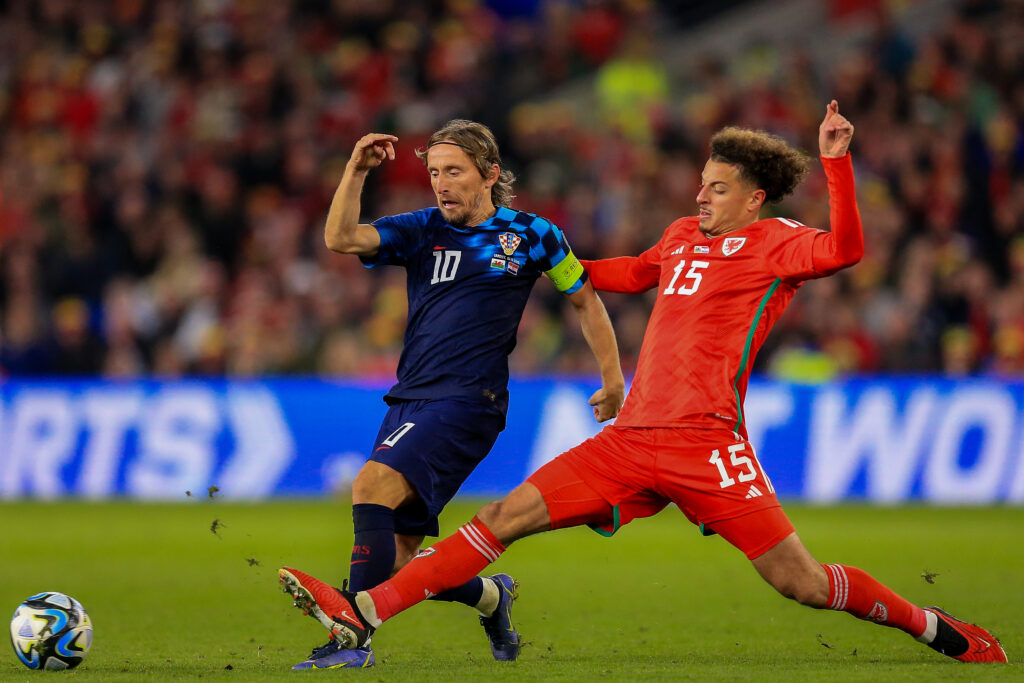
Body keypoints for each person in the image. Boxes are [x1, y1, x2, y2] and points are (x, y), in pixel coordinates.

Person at [278, 102, 1007, 665]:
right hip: (628, 442)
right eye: (701, 185)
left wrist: (835, 166)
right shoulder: (682, 238)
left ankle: (943, 631)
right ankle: (363, 612)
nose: (701, 198)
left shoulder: (780, 241)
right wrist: (529, 258)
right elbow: (620, 274)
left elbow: (847, 248)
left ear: (753, 197)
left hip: (706, 444)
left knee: (804, 583)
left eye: (717, 189)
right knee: (503, 517)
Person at [287, 120, 625, 669]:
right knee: (393, 561)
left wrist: (612, 380)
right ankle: (491, 596)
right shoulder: (422, 229)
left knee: (370, 483)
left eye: (454, 172)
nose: (441, 184)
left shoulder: (533, 235)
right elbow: (341, 238)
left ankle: (352, 638)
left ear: (489, 173)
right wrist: (355, 171)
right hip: (410, 398)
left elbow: (584, 300)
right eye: (434, 173)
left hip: (471, 400)